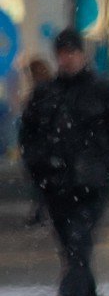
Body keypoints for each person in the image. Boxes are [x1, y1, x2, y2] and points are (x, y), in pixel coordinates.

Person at [18, 29, 109, 296]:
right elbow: (29, 136)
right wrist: (41, 169)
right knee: (72, 248)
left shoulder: (103, 92)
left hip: (90, 185)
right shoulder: (45, 96)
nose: (67, 59)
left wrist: (108, 162)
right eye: (62, 53)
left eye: (72, 53)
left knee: (78, 244)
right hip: (57, 186)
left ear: (82, 55)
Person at [21, 57, 54, 226]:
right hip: (42, 147)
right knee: (42, 184)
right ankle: (42, 212)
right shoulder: (49, 90)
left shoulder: (41, 92)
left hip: (41, 147)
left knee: (41, 184)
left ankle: (41, 212)